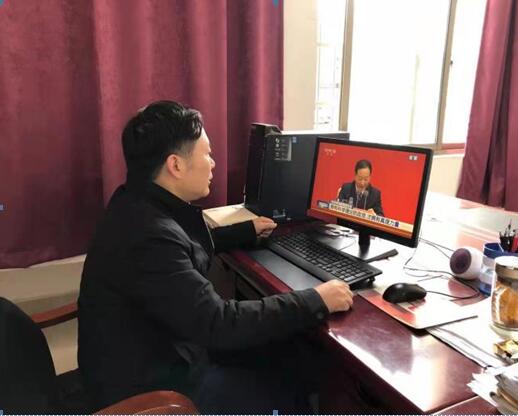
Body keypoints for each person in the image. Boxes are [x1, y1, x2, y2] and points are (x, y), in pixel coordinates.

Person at [78, 100, 354, 413]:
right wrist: (316, 299)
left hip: (157, 354)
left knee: (288, 352)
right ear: (175, 165)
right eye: (207, 154)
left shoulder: (135, 203)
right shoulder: (149, 237)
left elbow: (179, 250)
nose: (213, 163)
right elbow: (219, 323)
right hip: (156, 392)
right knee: (290, 382)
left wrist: (242, 232)